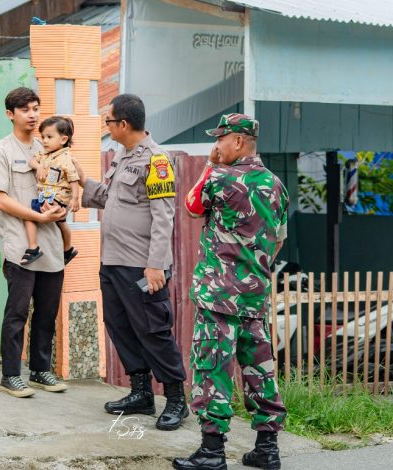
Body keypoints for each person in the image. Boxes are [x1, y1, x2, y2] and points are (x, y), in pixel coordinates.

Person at [173, 114, 289, 470]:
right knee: (259, 369)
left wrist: (209, 166)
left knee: (213, 368)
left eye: (220, 139)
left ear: (238, 141)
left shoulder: (220, 178)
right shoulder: (275, 185)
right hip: (255, 295)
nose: (216, 146)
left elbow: (192, 206)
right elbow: (278, 240)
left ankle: (212, 451)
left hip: (219, 296)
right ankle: (267, 449)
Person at [78, 94, 187, 431]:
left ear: (123, 124)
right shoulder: (122, 156)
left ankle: (176, 399)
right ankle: (141, 393)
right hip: (112, 260)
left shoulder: (157, 161)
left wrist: (156, 265)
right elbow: (113, 199)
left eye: (109, 122)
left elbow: (164, 216)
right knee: (119, 325)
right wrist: (82, 181)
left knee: (153, 330)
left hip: (141, 265)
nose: (107, 128)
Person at [0, 87, 68, 398]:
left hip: (52, 243)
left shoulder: (48, 146)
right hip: (21, 245)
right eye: (25, 110)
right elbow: (0, 199)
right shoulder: (0, 152)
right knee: (17, 313)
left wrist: (61, 209)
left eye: (36, 108)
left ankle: (40, 370)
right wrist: (38, 217)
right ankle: (10, 375)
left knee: (47, 312)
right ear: (10, 114)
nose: (32, 115)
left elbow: (62, 184)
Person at [22, 116, 80, 266]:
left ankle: (33, 248)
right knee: (61, 222)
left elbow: (74, 178)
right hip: (48, 196)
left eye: (49, 137)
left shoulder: (65, 158)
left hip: (57, 198)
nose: (44, 141)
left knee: (29, 215)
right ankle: (68, 249)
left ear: (63, 139)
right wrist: (39, 167)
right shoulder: (45, 154)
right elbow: (31, 161)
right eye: (43, 137)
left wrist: (75, 199)